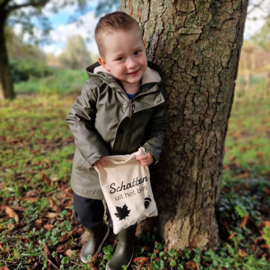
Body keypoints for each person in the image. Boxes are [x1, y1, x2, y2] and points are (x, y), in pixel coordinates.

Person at [66, 11, 166, 270]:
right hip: (92, 167)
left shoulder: (153, 89)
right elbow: (76, 118)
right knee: (86, 211)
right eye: (120, 58)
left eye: (137, 52)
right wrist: (95, 152)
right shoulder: (97, 87)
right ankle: (96, 234)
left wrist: (152, 150)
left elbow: (158, 126)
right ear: (105, 63)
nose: (132, 63)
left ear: (144, 49)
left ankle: (125, 245)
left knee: (125, 211)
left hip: (125, 171)